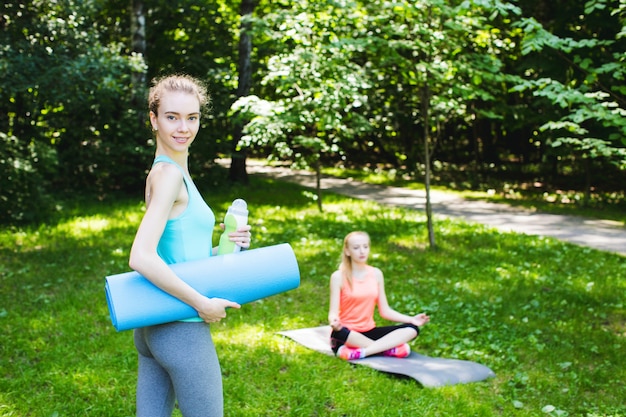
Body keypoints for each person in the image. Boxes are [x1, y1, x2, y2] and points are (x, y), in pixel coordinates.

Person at [128, 74, 251, 417]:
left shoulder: (166, 171)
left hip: (153, 324)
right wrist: (203, 304)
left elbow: (174, 252)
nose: (183, 127)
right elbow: (141, 256)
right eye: (172, 117)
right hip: (182, 328)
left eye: (192, 117)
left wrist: (223, 246)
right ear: (153, 119)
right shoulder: (168, 177)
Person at [328, 231, 430, 360]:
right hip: (348, 334)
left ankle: (361, 353)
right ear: (347, 251)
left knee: (412, 329)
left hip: (370, 332)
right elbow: (333, 313)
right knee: (340, 332)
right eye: (356, 248)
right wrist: (334, 322)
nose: (362, 251)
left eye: (365, 247)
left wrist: (411, 319)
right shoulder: (338, 277)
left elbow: (385, 311)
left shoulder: (376, 274)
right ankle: (387, 349)